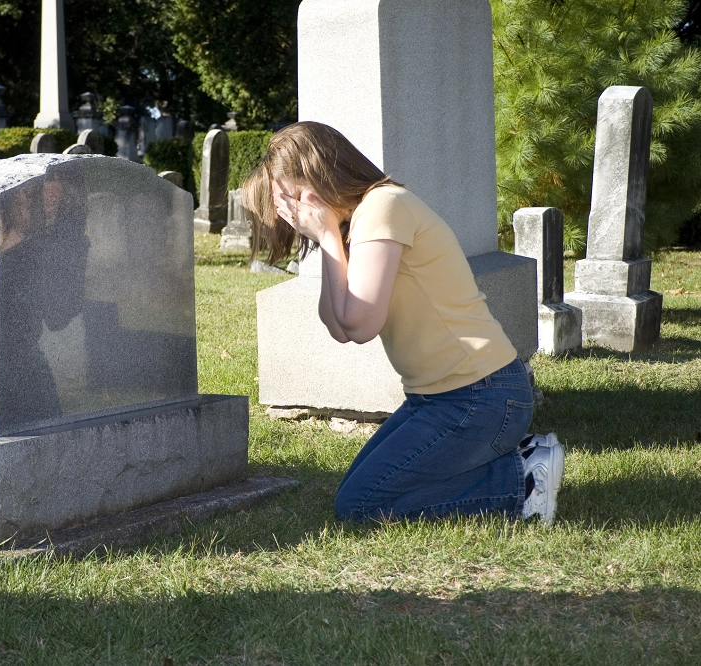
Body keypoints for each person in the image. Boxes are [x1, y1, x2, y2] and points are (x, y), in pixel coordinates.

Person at [242, 122, 565, 524]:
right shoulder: (358, 221)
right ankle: (519, 458)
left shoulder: (383, 207)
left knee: (361, 506)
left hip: (480, 395)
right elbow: (339, 327)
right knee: (356, 491)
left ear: (315, 178)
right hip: (436, 398)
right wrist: (328, 242)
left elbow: (360, 325)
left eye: (288, 199)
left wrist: (326, 237)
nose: (289, 215)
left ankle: (521, 480)